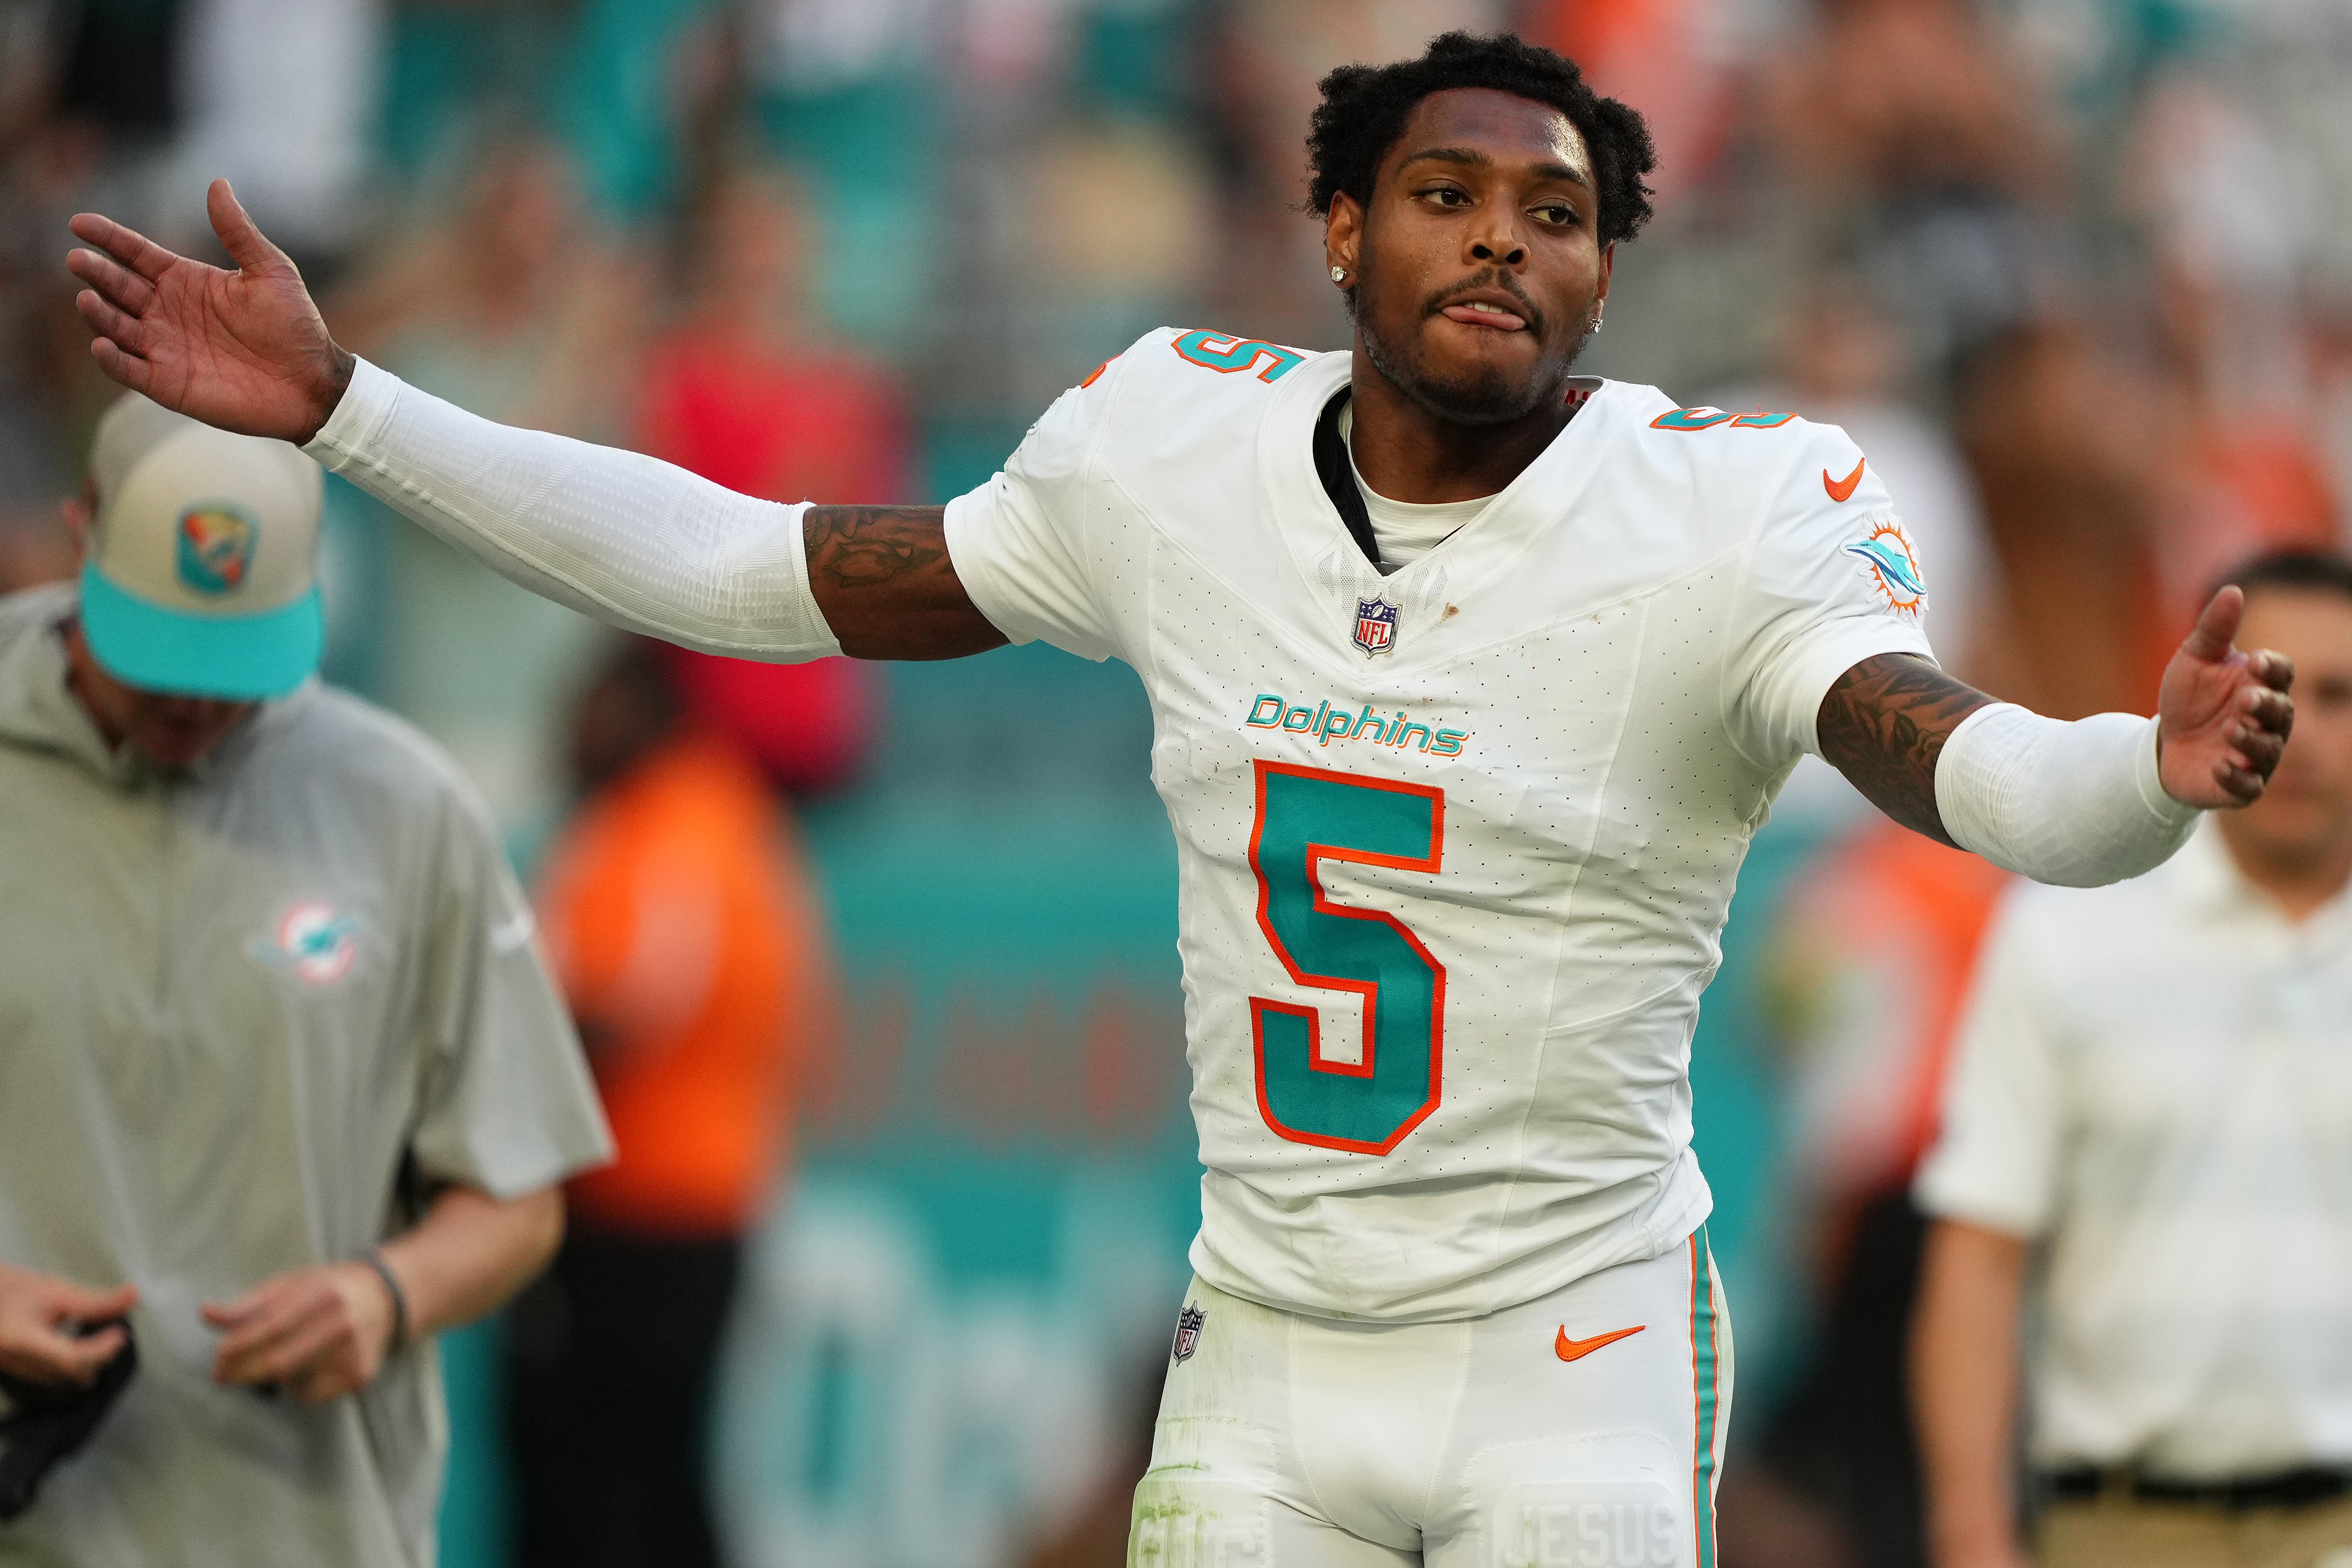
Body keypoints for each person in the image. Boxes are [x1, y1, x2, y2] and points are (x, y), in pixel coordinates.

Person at [62, 30, 2294, 1566]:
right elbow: (756, 569)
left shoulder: (1722, 516)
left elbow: (1958, 755)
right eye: (1448, 193)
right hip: (1273, 1338)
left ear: (1614, 265)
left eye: (1558, 208)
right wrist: (351, 405)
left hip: (1576, 1342)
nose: (1506, 239)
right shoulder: (1169, 459)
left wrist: (2141, 776)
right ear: (1338, 226)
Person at [0, 392, 612, 1565]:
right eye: (159, 649)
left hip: (308, 1530)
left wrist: (388, 1292)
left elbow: (519, 1196)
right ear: (82, 531)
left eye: (227, 660)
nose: (191, 697)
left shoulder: (408, 810)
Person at [1910, 550, 2352, 1568]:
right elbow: (1980, 1250)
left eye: (2340, 694)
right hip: (2126, 1529)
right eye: (2274, 683)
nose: (2306, 731)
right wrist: (1973, 1534)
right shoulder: (2071, 922)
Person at [506, 638, 831, 1568]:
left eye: (591, 701)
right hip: (685, 1199)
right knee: (645, 1474)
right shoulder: (721, 816)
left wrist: (488, 1058)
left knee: (607, 1480)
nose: (572, 727)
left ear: (643, 702)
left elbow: (637, 1003)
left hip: (643, 1210)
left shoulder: (676, 821)